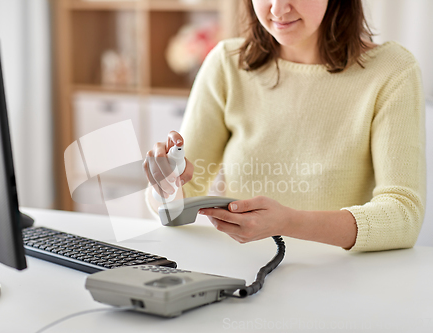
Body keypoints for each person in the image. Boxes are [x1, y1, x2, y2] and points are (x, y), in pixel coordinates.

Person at [143, 0, 426, 252]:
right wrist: (166, 186)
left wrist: (290, 223)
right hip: (243, 277)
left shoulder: (391, 71)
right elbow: (178, 205)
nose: (277, 9)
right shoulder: (227, 64)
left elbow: (403, 215)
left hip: (342, 281)